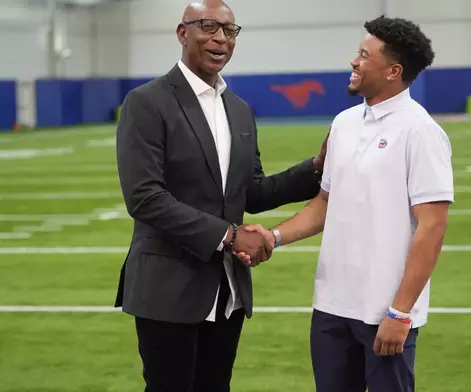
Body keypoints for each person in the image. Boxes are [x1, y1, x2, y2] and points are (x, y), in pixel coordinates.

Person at [114, 1, 327, 391]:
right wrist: (229, 236)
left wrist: (315, 167)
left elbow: (252, 192)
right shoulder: (146, 102)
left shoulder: (239, 109)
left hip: (227, 288)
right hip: (168, 287)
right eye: (208, 27)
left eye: (229, 31)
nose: (220, 38)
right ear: (183, 33)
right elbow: (144, 198)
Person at [238, 15, 453, 392]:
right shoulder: (344, 123)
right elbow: (325, 203)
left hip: (384, 312)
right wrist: (273, 237)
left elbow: (432, 227)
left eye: (364, 55)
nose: (353, 62)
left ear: (393, 71)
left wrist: (400, 312)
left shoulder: (421, 132)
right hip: (332, 307)